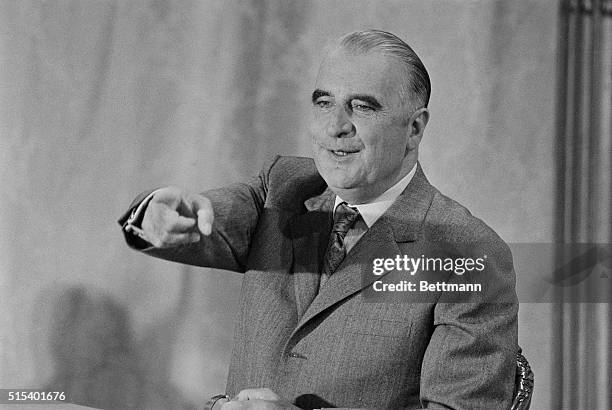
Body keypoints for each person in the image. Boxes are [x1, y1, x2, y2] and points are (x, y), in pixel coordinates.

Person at [119, 30, 518, 409]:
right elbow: (207, 218)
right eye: (324, 102)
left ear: (414, 128)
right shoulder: (285, 186)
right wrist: (158, 215)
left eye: (362, 106)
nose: (335, 127)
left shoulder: (469, 251)